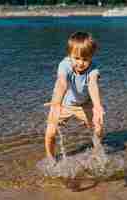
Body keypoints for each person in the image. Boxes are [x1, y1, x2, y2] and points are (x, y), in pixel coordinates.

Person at [45, 31, 105, 164]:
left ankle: (97, 153)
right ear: (69, 55)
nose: (81, 63)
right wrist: (56, 103)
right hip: (64, 103)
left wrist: (97, 105)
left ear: (91, 57)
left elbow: (93, 85)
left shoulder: (94, 69)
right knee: (50, 131)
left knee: (99, 128)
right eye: (77, 58)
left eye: (85, 59)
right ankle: (50, 157)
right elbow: (62, 83)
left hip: (85, 104)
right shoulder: (64, 65)